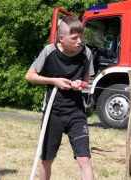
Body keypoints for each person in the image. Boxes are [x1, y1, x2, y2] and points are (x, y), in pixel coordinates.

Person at [25, 16, 95, 180]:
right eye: (74, 38)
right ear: (61, 38)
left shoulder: (86, 53)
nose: (79, 41)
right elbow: (29, 76)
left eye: (81, 37)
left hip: (76, 111)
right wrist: (53, 81)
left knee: (84, 158)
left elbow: (86, 81)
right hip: (53, 112)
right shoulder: (49, 51)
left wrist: (81, 84)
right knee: (47, 159)